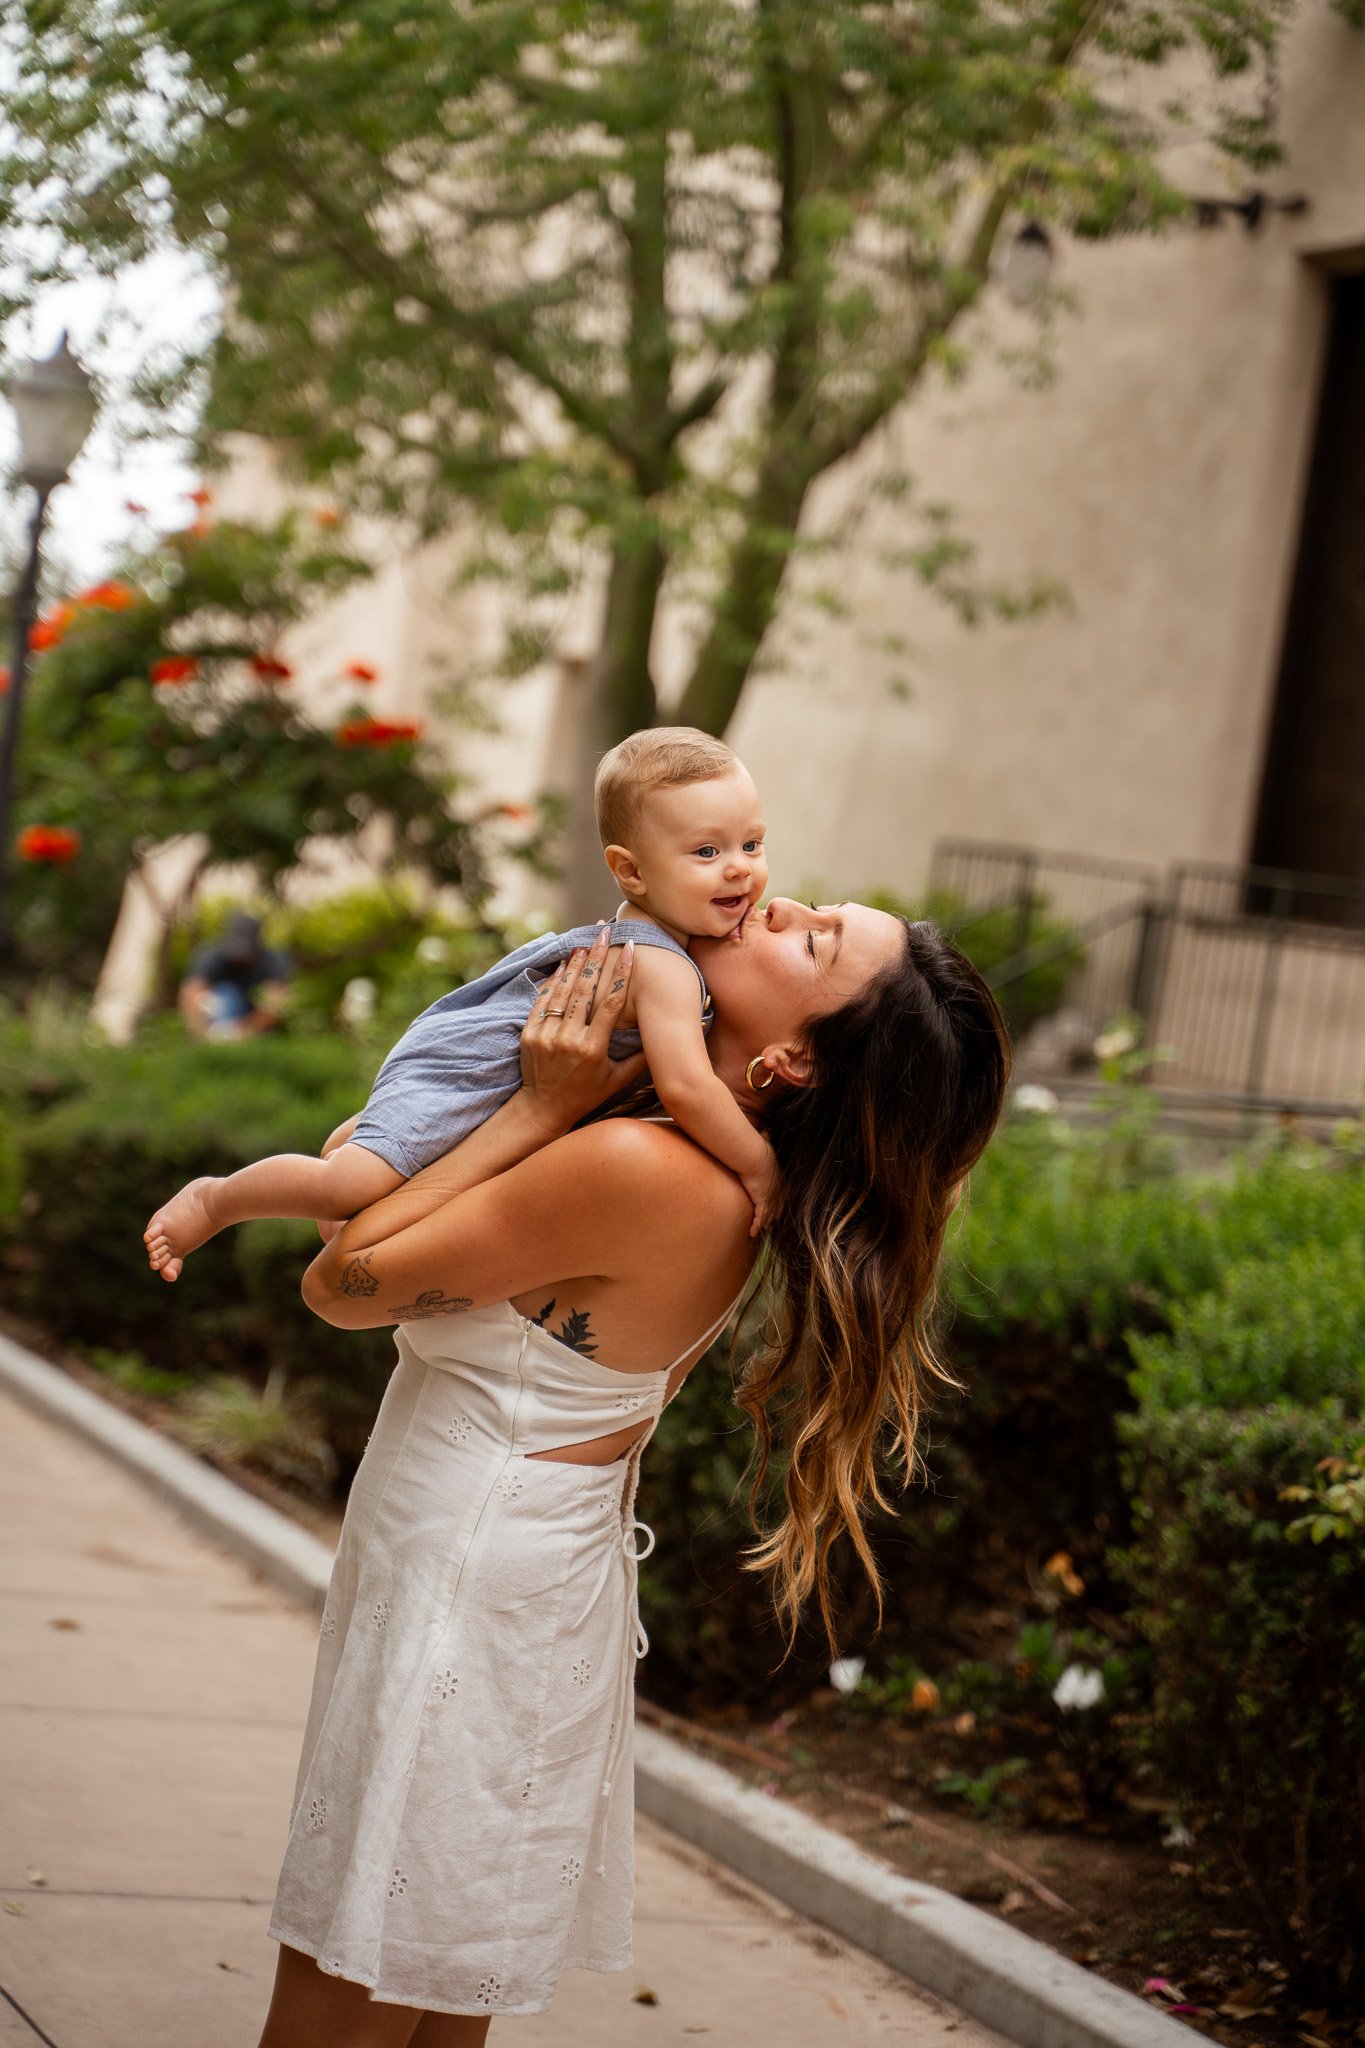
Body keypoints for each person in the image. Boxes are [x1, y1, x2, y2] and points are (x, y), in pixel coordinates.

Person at [254, 898, 1013, 2047]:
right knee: (432, 1987)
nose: (778, 901)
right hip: (520, 1570)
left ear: (791, 1058)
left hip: (470, 1575)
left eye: (812, 942)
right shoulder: (698, 1153)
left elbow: (341, 1280)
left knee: (344, 1993)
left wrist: (537, 1105)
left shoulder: (641, 1162)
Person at [144, 729, 777, 1282]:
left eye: (751, 845)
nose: (739, 870)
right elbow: (689, 1088)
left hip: (467, 1068)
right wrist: (760, 1165)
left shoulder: (651, 939)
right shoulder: (665, 965)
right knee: (345, 1188)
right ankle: (216, 1201)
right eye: (706, 852)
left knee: (348, 1205)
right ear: (631, 872)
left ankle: (337, 1153)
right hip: (463, 1073)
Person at [179, 912, 291, 1041]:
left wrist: (244, 1032)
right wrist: (204, 1032)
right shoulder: (209, 956)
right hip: (216, 1015)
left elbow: (274, 1002)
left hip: (251, 1017)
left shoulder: (273, 961)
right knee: (228, 995)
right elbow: (190, 994)